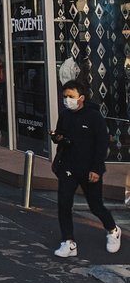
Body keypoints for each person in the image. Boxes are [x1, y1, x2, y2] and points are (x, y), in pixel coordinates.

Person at [50, 80, 121, 258]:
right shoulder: (65, 114)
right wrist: (57, 137)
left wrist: (96, 169)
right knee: (64, 204)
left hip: (89, 169)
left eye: (71, 97)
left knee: (95, 206)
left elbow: (101, 144)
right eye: (65, 96)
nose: (67, 100)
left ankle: (113, 229)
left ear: (81, 98)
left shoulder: (94, 117)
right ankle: (68, 242)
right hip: (68, 167)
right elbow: (61, 135)